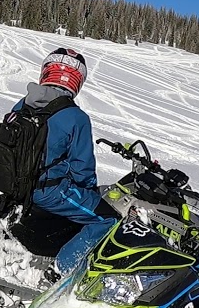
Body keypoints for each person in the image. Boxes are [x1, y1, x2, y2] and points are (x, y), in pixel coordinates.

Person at [8, 48, 121, 277]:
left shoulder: (22, 105)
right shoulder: (76, 117)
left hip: (14, 185)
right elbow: (83, 169)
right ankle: (61, 271)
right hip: (50, 192)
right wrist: (91, 193)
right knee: (108, 218)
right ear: (77, 80)